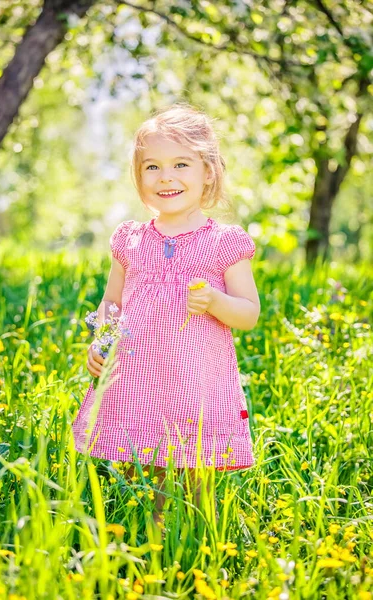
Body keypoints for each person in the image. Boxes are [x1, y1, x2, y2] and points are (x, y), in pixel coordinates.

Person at [72, 102, 260, 536]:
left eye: (181, 164)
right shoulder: (129, 240)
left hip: (195, 380)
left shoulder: (224, 243)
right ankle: (149, 538)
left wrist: (215, 300)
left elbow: (248, 314)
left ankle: (197, 539)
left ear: (207, 171)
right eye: (152, 167)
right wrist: (100, 344)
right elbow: (111, 304)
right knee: (144, 463)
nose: (166, 177)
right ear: (138, 177)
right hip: (140, 376)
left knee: (195, 469)